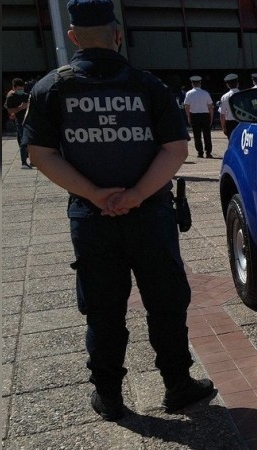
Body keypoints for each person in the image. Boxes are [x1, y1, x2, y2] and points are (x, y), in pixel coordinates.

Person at [22, 0, 215, 422]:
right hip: (151, 215)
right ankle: (177, 384)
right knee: (165, 302)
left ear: (73, 36)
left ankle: (109, 396)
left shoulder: (51, 88)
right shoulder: (148, 86)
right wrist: (137, 194)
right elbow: (175, 149)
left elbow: (41, 154)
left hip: (92, 219)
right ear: (117, 34)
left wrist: (94, 194)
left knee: (103, 309)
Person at [183, 75, 214, 158]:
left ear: (192, 84)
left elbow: (187, 106)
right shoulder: (205, 93)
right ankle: (208, 152)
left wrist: (188, 117)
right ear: (200, 83)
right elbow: (210, 107)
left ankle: (200, 152)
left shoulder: (189, 93)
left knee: (197, 135)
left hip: (194, 115)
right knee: (207, 135)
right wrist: (211, 117)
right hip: (205, 115)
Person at [5, 78, 32, 168]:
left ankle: (32, 160)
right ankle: (24, 162)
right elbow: (10, 111)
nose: (21, 90)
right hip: (19, 121)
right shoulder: (11, 97)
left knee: (30, 141)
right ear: (14, 88)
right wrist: (20, 107)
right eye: (19, 89)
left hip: (28, 120)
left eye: (22, 89)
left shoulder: (26, 96)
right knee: (23, 141)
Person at [218, 73, 240, 138]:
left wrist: (223, 127)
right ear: (238, 83)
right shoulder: (243, 94)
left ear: (227, 85)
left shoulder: (224, 97)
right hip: (241, 123)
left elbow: (222, 115)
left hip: (230, 124)